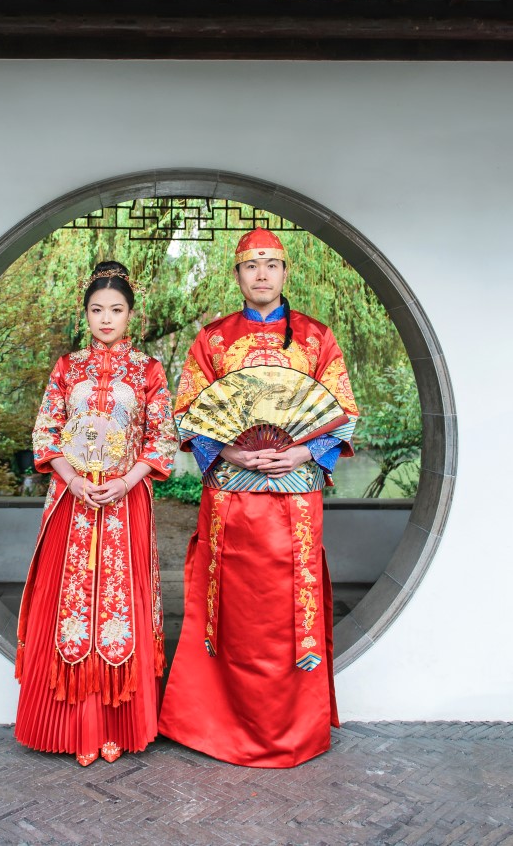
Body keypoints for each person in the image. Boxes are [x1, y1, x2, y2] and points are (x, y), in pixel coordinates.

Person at [159, 228, 359, 768]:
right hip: (231, 501)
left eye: (272, 264)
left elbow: (342, 414)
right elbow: (186, 414)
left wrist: (301, 454)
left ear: (286, 272)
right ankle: (216, 724)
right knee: (231, 609)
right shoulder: (214, 340)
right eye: (251, 266)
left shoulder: (317, 339)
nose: (262, 274)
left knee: (289, 611)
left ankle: (295, 727)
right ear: (237, 276)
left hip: (295, 503)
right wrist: (227, 450)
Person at [14, 261, 178, 766]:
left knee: (117, 608)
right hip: (72, 503)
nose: (106, 319)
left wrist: (127, 481)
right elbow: (45, 433)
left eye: (116, 310)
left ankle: (117, 725)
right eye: (96, 309)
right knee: (68, 605)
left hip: (126, 506)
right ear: (85, 313)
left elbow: (163, 439)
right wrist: (74, 479)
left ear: (132, 314)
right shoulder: (67, 368)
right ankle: (69, 726)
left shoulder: (148, 370)